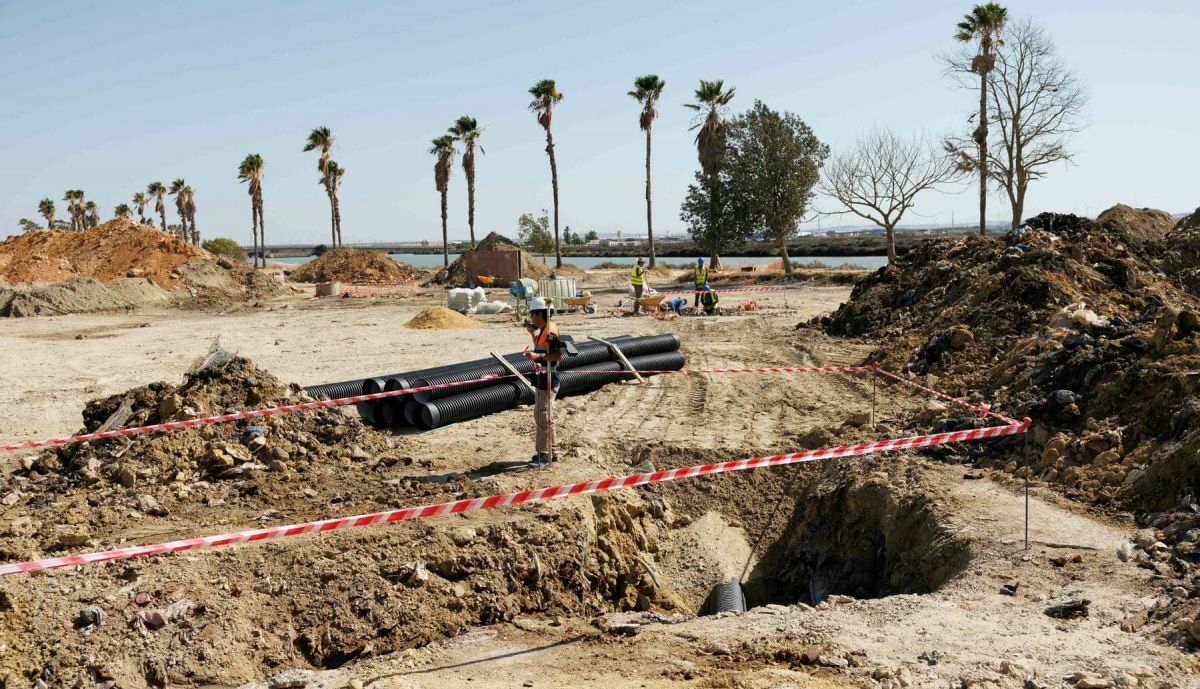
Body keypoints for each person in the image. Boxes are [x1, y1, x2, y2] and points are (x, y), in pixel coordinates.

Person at [524, 297, 563, 468]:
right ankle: (552, 452)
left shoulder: (550, 331)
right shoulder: (543, 330)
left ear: (540, 313)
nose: (531, 318)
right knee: (544, 416)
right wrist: (533, 334)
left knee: (543, 417)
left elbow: (556, 355)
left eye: (532, 315)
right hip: (543, 378)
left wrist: (537, 357)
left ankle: (544, 455)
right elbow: (543, 350)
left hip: (548, 380)